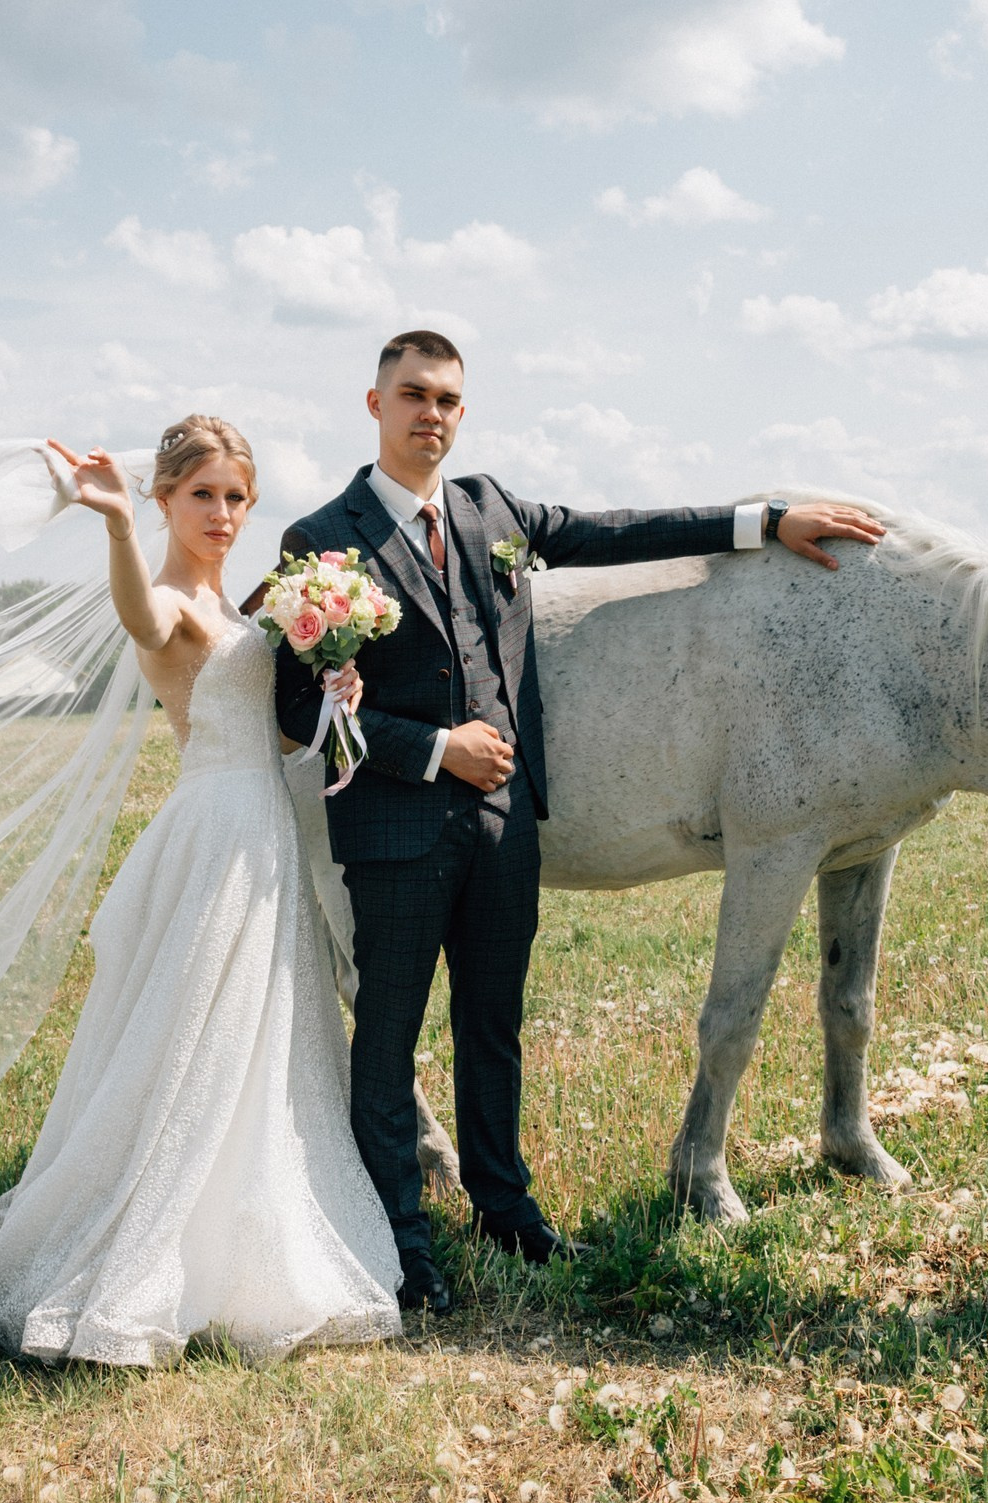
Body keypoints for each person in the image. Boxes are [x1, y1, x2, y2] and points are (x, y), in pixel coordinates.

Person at [271, 329, 884, 1312]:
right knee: (387, 1045)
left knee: (493, 1029)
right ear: (374, 403)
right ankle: (402, 1247)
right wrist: (435, 751)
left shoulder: (491, 510)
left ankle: (508, 1216)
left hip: (505, 826)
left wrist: (767, 519)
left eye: (448, 400)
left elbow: (620, 532)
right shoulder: (321, 540)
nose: (431, 413)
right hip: (392, 831)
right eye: (413, 394)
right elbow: (300, 710)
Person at [0, 417, 403, 1365]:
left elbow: (280, 736)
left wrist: (337, 692)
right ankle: (140, 1242)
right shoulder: (174, 599)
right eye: (201, 496)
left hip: (263, 820)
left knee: (266, 1030)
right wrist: (110, 526)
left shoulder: (237, 609)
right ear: (167, 500)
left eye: (235, 498)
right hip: (215, 832)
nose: (222, 514)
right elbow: (140, 623)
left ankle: (246, 1226)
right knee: (195, 1036)